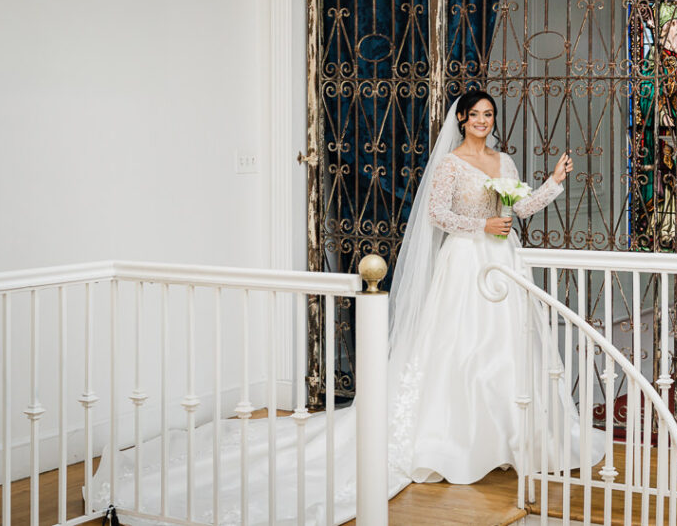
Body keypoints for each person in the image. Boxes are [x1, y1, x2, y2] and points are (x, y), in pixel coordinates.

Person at [88, 89, 598, 525]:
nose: (484, 122)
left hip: (502, 266)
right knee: (461, 353)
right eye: (476, 115)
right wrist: (481, 226)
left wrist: (552, 183)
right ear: (461, 119)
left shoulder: (503, 163)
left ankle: (511, 440)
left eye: (490, 114)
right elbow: (438, 218)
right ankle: (457, 440)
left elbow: (517, 208)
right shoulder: (450, 164)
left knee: (508, 351)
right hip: (465, 266)